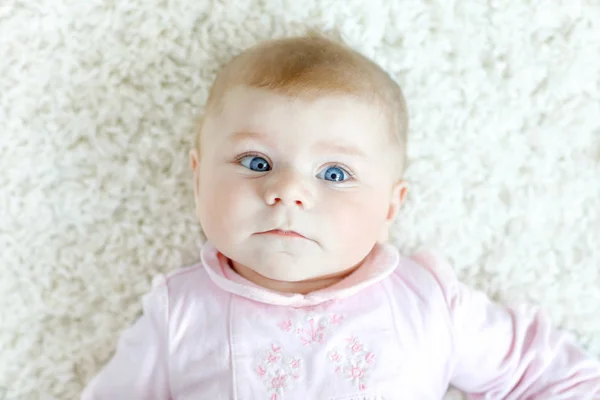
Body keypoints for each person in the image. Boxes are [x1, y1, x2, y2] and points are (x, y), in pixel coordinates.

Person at [81, 32, 600, 399]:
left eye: (333, 173)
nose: (287, 191)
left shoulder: (427, 301)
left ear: (390, 207)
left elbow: (554, 377)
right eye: (256, 162)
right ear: (197, 180)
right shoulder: (180, 313)